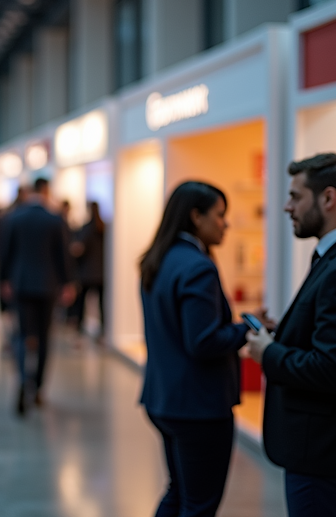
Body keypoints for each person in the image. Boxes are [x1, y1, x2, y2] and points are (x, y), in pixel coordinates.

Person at [247, 153, 336, 517]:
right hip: (325, 449)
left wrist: (268, 352)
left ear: (328, 198)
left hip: (324, 452)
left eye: (296, 196)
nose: (288, 207)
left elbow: (334, 368)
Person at [138, 181, 264, 517]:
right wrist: (250, 328)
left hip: (164, 398)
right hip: (198, 406)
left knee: (179, 492)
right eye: (220, 215)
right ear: (196, 217)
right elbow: (203, 341)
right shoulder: (198, 267)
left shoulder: (159, 259)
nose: (226, 223)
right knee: (199, 504)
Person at [0, 178, 75, 415]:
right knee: (44, 337)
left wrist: (3, 280)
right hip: (48, 284)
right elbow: (63, 254)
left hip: (21, 283)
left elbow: (5, 252)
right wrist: (67, 283)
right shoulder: (54, 219)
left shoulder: (14, 217)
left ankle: (23, 377)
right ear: (46, 191)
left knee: (22, 334)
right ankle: (38, 387)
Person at [70, 201, 106, 342]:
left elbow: (79, 249)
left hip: (87, 273)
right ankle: (103, 333)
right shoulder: (103, 228)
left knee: (81, 304)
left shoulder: (87, 229)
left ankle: (78, 333)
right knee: (102, 304)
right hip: (101, 273)